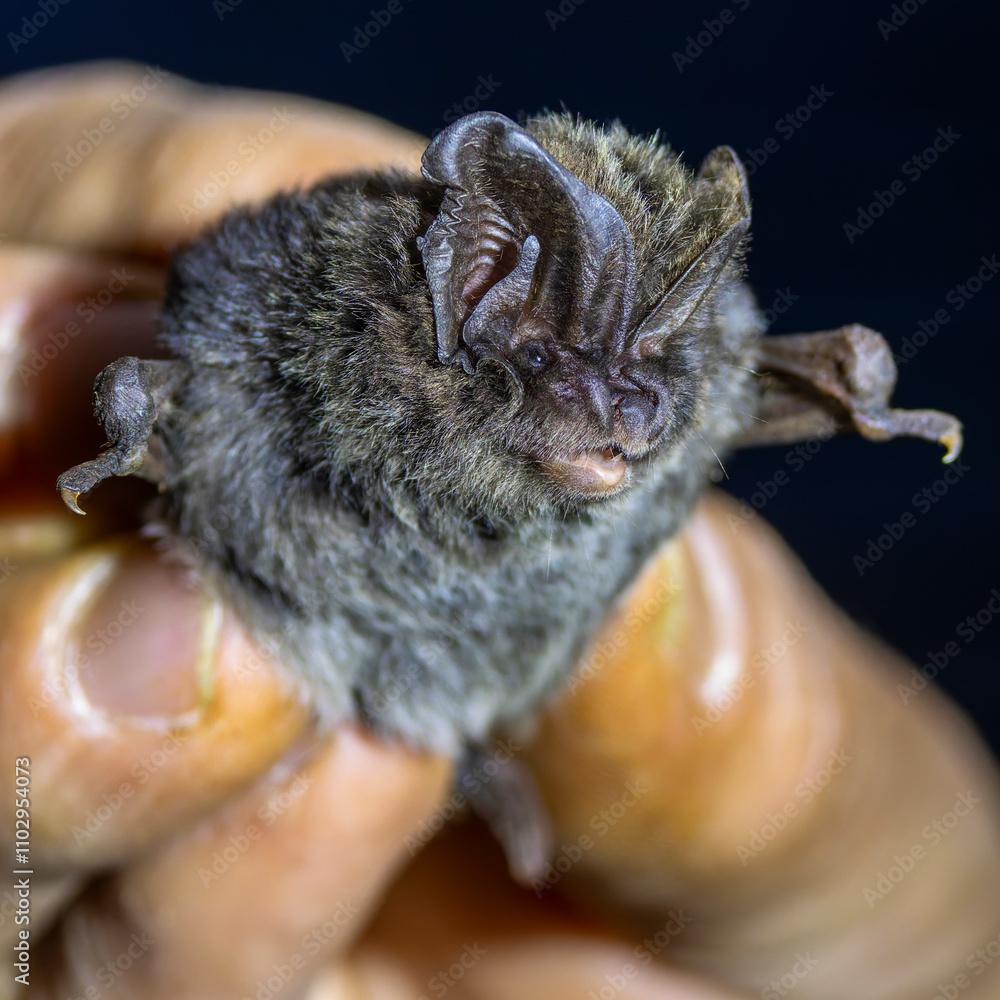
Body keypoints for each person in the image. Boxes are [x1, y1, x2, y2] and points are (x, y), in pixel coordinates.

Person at [1, 62, 997, 999]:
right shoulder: (306, 333)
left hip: (489, 680)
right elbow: (181, 343)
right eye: (591, 375)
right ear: (467, 295)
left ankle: (476, 757)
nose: (639, 423)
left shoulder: (692, 392)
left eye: (656, 377)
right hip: (296, 594)